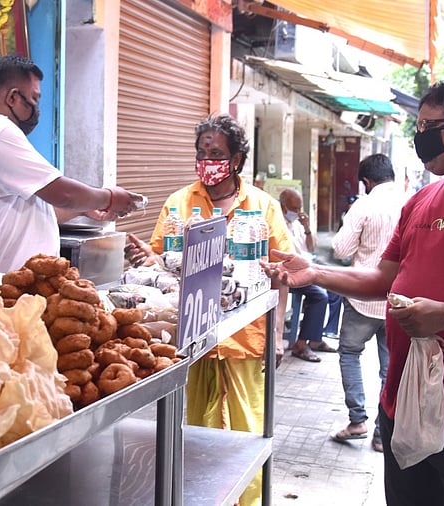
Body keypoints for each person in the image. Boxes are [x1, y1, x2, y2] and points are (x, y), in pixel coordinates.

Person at [264, 80, 444, 505]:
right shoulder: (421, 200)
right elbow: (383, 279)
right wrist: (314, 273)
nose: (419, 137)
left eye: (426, 126)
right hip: (403, 404)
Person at [124, 113, 291, 506]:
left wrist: (278, 335)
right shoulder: (180, 203)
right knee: (199, 435)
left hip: (244, 340)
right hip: (193, 339)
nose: (206, 161)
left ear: (236, 159)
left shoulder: (263, 207)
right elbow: (162, 261)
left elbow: (283, 274)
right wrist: (147, 258)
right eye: (201, 153)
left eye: (215, 154)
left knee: (246, 435)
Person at [0, 55, 139, 278]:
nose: (36, 107)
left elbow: (33, 210)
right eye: (34, 98)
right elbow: (64, 194)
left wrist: (83, 209)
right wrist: (110, 198)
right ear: (13, 97)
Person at [328, 153, 407, 453]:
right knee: (391, 367)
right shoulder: (411, 202)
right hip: (397, 300)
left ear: (367, 182)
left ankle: (357, 420)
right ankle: (381, 433)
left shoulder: (364, 205)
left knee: (349, 353)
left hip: (362, 298)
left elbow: (340, 249)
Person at [278, 189, 338, 362]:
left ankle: (317, 338)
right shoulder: (278, 223)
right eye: (294, 208)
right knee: (320, 295)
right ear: (284, 206)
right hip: (291, 271)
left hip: (307, 265)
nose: (298, 212)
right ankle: (301, 344)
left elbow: (311, 249)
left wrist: (307, 228)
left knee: (336, 287)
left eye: (299, 208)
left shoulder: (297, 223)